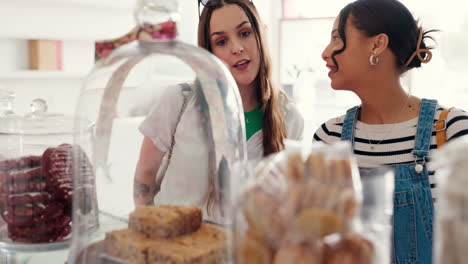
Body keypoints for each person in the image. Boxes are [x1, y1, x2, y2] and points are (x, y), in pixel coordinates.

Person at [313, 0, 468, 263]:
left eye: (337, 38)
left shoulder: (452, 131)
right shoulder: (329, 138)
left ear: (377, 44)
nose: (325, 53)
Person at [133, 0, 304, 222]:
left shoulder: (290, 118)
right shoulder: (178, 101)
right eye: (221, 41)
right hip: (173, 248)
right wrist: (146, 231)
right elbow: (145, 173)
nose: (237, 48)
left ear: (261, 35)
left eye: (244, 33)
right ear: (208, 52)